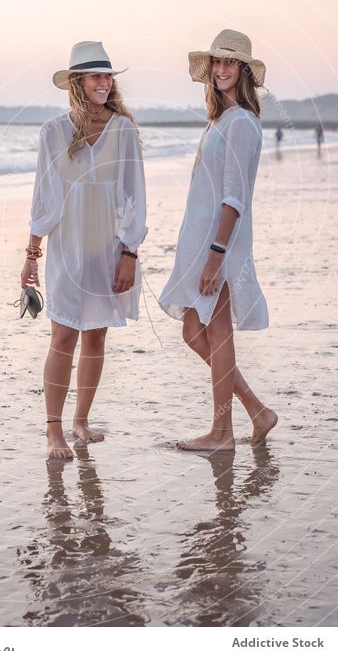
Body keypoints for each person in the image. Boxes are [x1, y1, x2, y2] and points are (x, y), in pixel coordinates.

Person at [21, 41, 147, 460]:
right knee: (63, 336)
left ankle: (81, 421)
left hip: (108, 251)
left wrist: (129, 252)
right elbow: (45, 198)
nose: (105, 83)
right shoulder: (54, 132)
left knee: (96, 336)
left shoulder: (124, 130)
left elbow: (134, 195)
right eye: (96, 76)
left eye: (108, 76)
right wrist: (31, 255)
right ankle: (53, 429)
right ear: (77, 83)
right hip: (67, 252)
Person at [159, 29, 277, 453]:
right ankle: (257, 411)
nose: (223, 68)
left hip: (218, 243)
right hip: (201, 241)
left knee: (219, 331)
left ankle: (222, 432)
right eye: (218, 62)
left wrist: (217, 255)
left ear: (243, 71)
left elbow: (234, 197)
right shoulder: (221, 120)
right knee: (194, 331)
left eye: (231, 62)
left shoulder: (242, 123)